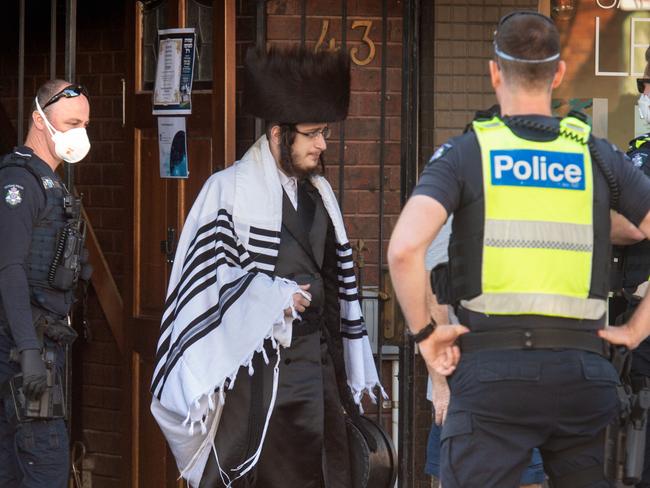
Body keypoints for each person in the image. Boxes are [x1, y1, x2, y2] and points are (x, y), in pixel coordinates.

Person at [388, 11, 650, 488]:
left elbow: (405, 249)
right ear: (558, 75)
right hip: (582, 373)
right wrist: (635, 329)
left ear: (493, 71)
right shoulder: (595, 154)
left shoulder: (468, 153)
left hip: (491, 378)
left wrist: (426, 336)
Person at [150, 47, 381, 488]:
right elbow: (207, 282)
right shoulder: (227, 191)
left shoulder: (320, 195)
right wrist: (272, 296)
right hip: (260, 382)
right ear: (278, 134)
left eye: (324, 133)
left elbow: (335, 279)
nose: (322, 144)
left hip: (319, 373)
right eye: (312, 134)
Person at [0, 80, 91, 487]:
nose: (80, 133)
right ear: (40, 120)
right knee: (46, 462)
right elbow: (9, 269)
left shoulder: (50, 183)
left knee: (16, 467)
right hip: (23, 351)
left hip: (38, 345)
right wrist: (29, 349)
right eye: (71, 122)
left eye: (85, 124)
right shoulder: (19, 184)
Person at [423, 217, 544, 488]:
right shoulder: (463, 210)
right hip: (467, 386)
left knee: (526, 481)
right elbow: (432, 292)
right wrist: (442, 386)